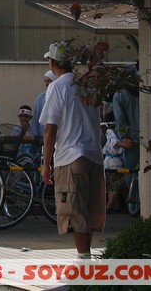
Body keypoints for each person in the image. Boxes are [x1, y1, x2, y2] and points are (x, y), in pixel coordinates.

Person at [40, 41, 105, 260]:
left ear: (53, 62)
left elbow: (50, 128)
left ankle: (82, 260)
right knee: (88, 208)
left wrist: (45, 163)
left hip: (70, 155)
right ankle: (85, 258)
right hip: (94, 154)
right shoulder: (87, 86)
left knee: (75, 211)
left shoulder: (57, 87)